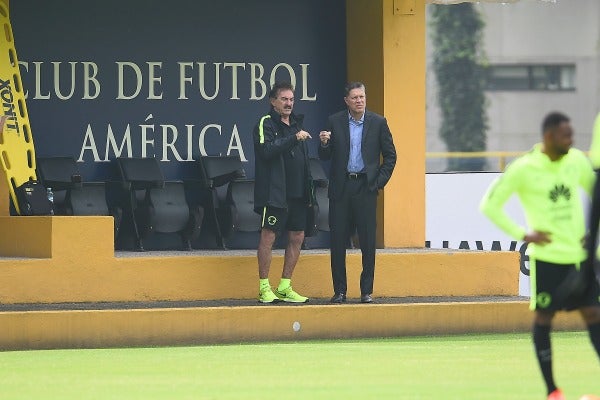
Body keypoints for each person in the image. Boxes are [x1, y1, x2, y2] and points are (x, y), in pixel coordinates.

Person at [480, 112, 600, 400]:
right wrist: (523, 234)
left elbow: (597, 197)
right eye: (566, 136)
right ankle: (552, 391)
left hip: (579, 258)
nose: (572, 142)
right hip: (547, 260)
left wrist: (591, 236)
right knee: (544, 319)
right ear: (548, 137)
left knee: (594, 315)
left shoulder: (576, 162)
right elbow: (490, 205)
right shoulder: (524, 168)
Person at [318, 82, 396, 304]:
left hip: (365, 187)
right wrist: (324, 144)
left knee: (368, 241)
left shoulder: (378, 123)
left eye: (362, 97)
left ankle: (366, 291)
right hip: (341, 187)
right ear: (347, 101)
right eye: (354, 98)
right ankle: (340, 291)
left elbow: (390, 156)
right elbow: (325, 155)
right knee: (337, 240)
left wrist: (377, 182)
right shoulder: (335, 121)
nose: (359, 101)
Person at [252, 81, 313, 303]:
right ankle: (264, 287)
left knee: (297, 236)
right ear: (273, 101)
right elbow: (266, 150)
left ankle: (285, 286)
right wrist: (293, 139)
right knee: (269, 236)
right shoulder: (265, 123)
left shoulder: (297, 124)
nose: (289, 103)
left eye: (291, 99)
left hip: (298, 192)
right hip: (275, 193)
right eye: (284, 99)